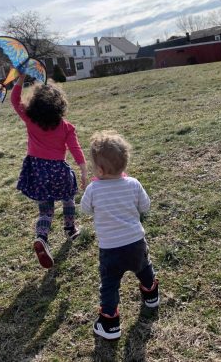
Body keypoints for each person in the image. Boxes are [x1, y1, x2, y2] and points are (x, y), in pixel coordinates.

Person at [81, 131, 159, 340]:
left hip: (110, 250)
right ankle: (151, 294)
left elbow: (85, 209)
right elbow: (145, 206)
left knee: (109, 285)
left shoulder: (93, 189)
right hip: (135, 243)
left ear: (99, 169)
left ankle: (110, 323)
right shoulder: (133, 184)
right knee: (144, 268)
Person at [11, 73, 87, 269]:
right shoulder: (66, 127)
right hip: (59, 171)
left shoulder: (29, 118)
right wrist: (83, 169)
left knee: (46, 210)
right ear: (59, 105)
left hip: (37, 172)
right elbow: (75, 148)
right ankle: (70, 228)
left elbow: (14, 99)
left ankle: (41, 237)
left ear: (34, 103)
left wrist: (20, 78)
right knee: (69, 196)